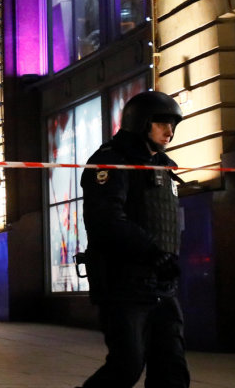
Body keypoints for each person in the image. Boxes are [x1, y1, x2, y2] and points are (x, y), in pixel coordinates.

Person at [77, 90, 190, 388]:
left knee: (172, 372)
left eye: (173, 124)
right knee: (126, 366)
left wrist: (165, 260)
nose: (169, 131)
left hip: (162, 286)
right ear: (141, 122)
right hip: (123, 285)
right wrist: (153, 253)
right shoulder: (111, 161)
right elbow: (106, 220)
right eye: (162, 123)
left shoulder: (164, 165)